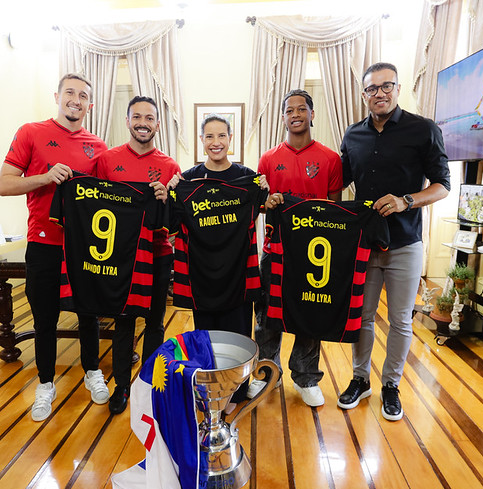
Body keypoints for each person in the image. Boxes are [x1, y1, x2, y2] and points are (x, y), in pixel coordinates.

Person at [338, 62, 450, 420]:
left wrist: (406, 200)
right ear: (364, 95)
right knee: (362, 317)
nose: (380, 93)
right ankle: (360, 379)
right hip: (364, 243)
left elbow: (442, 185)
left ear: (398, 89)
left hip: (405, 243)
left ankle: (391, 385)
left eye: (387, 86)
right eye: (372, 88)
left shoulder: (423, 129)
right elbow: (335, 183)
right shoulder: (353, 135)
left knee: (401, 320)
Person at [0, 73, 110, 422]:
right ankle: (45, 383)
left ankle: (93, 371)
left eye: (83, 96)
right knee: (44, 318)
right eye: (70, 93)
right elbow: (3, 184)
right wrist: (46, 177)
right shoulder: (31, 132)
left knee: (89, 313)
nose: (76, 100)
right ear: (57, 97)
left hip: (85, 246)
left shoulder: (99, 146)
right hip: (43, 243)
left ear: (90, 105)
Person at [251, 89, 344, 407]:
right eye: (289, 110)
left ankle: (306, 377)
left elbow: (334, 210)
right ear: (283, 118)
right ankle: (267, 373)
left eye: (301, 109)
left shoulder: (330, 159)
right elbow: (259, 205)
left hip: (315, 253)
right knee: (266, 313)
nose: (295, 114)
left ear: (312, 114)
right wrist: (268, 202)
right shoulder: (268, 159)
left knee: (310, 313)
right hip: (275, 249)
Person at [171, 114, 269, 407]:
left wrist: (264, 189)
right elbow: (173, 221)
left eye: (221, 136)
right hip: (201, 276)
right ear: (201, 140)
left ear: (230, 139)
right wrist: (172, 190)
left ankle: (237, 391)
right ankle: (210, 390)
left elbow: (264, 207)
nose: (216, 142)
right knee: (207, 339)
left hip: (238, 275)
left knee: (239, 336)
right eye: (210, 136)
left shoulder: (247, 178)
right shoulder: (187, 180)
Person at [95, 96, 177, 415]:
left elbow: (176, 219)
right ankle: (122, 386)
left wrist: (166, 199)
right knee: (123, 321)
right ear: (127, 121)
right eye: (137, 117)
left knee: (155, 322)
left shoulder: (170, 166)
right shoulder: (107, 160)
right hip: (121, 256)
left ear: (157, 124)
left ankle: (149, 385)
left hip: (158, 253)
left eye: (149, 118)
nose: (143, 123)